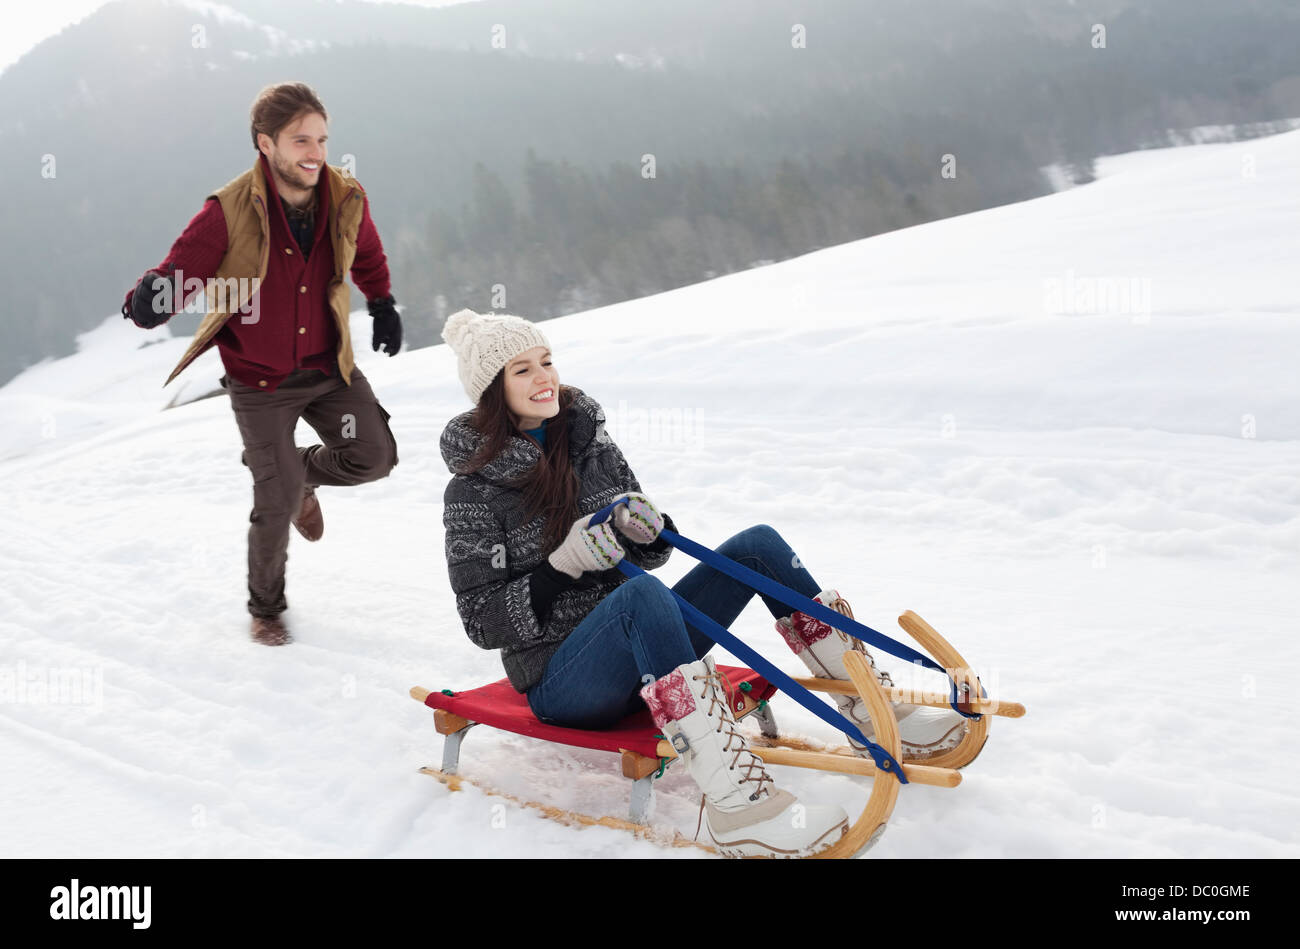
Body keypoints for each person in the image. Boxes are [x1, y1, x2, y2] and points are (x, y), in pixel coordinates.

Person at [438, 308, 968, 857]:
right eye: (521, 370)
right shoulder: (472, 493)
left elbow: (656, 551)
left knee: (756, 545)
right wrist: (560, 566)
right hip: (565, 682)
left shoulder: (588, 443)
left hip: (648, 648)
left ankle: (878, 708)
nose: (544, 377)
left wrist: (650, 529)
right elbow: (481, 622)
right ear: (493, 391)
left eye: (546, 361)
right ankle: (737, 809)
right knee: (638, 596)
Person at [122, 82, 401, 646]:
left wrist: (382, 301)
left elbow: (367, 253)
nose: (315, 152)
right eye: (301, 140)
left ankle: (292, 471)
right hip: (259, 381)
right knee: (273, 502)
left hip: (328, 368)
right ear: (266, 143)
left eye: (322, 139)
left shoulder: (347, 198)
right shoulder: (227, 210)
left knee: (375, 456)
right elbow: (185, 269)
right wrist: (153, 296)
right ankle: (267, 608)